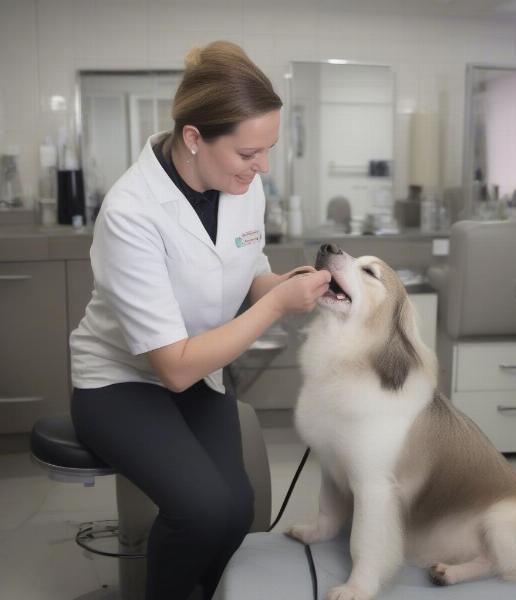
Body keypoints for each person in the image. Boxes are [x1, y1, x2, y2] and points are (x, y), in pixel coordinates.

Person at [69, 40, 331, 600]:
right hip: (121, 383)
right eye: (248, 153)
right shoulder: (131, 213)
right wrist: (275, 307)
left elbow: (245, 272)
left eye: (268, 150)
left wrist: (284, 285)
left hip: (200, 369)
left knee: (238, 509)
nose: (262, 167)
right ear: (194, 137)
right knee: (202, 509)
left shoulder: (244, 185)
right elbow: (174, 368)